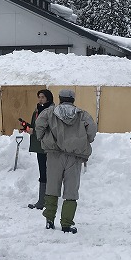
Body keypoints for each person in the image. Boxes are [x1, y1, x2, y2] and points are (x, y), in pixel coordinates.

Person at [34, 88, 96, 233]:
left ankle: (49, 220)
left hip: (54, 154)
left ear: (60, 98)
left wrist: (43, 138)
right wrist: (85, 140)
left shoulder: (49, 112)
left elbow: (39, 125)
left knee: (52, 188)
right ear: (73, 100)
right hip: (74, 156)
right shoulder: (82, 114)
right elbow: (92, 131)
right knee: (71, 190)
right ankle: (66, 224)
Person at [23, 89, 54, 209]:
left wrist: (33, 131)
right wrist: (28, 128)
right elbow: (36, 126)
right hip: (39, 146)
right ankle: (43, 200)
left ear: (48, 98)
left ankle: (46, 200)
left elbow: (50, 129)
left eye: (42, 97)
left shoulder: (51, 111)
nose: (40, 99)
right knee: (43, 172)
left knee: (48, 173)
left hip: (48, 145)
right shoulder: (37, 110)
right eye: (39, 97)